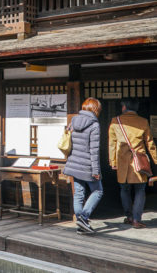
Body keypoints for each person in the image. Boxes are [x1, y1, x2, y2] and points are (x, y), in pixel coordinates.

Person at [109, 99, 157, 229]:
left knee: (124, 189)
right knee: (140, 190)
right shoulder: (143, 121)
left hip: (123, 163)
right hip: (139, 162)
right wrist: (156, 160)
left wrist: (113, 161)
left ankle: (129, 217)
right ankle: (137, 219)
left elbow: (112, 144)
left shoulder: (115, 121)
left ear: (124, 107)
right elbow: (150, 144)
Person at [63, 97, 103, 234]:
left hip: (74, 164)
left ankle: (81, 222)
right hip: (87, 165)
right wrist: (96, 170)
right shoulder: (94, 125)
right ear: (96, 109)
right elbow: (94, 150)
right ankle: (84, 217)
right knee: (98, 191)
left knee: (79, 193)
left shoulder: (73, 121)